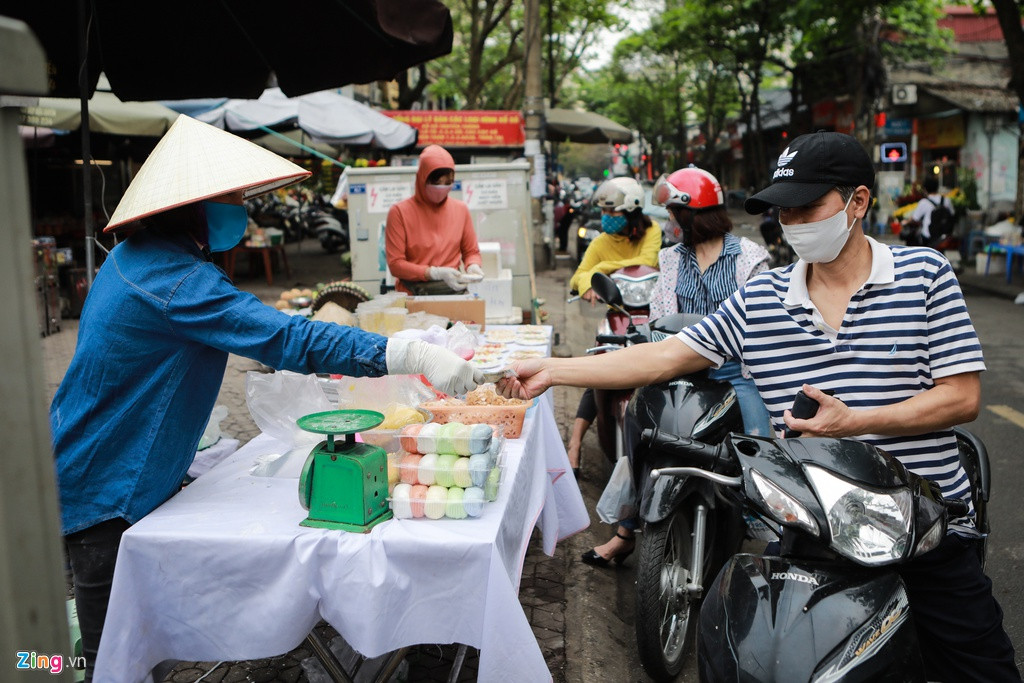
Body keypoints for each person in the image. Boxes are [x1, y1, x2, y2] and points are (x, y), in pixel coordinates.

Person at [500, 131, 1020, 681]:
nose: (793, 221)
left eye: (807, 206)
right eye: (784, 209)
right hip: (810, 532)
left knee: (983, 671)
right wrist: (554, 370)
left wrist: (854, 422)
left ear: (858, 202)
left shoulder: (925, 276)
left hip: (921, 532)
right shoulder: (763, 296)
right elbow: (665, 356)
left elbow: (961, 397)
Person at [52, 116, 483, 681]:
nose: (241, 209)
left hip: (113, 469)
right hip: (106, 487)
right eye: (230, 198)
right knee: (110, 661)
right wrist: (408, 354)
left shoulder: (143, 260)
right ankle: (33, 660)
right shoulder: (173, 280)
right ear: (194, 207)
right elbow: (286, 339)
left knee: (135, 648)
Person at [582, 167, 772, 567]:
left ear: (691, 213)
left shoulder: (751, 259)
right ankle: (625, 531)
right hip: (679, 369)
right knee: (642, 429)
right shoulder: (670, 260)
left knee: (762, 441)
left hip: (737, 373)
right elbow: (662, 317)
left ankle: (765, 525)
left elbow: (760, 325)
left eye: (672, 213)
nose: (667, 223)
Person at [565, 176, 661, 476]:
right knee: (600, 371)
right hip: (617, 315)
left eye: (613, 214)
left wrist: (601, 270)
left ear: (631, 212)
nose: (606, 219)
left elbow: (647, 261)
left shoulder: (652, 232)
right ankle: (575, 442)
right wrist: (589, 283)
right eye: (604, 213)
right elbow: (578, 276)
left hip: (652, 314)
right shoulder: (600, 241)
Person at [385, 145, 483, 295]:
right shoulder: (399, 212)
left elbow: (471, 251)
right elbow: (395, 264)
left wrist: (473, 266)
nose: (441, 189)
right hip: (413, 296)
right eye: (436, 183)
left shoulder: (460, 210)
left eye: (447, 183)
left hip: (453, 292)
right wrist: (433, 273)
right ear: (422, 179)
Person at [907, 175, 953, 246]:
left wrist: (905, 222)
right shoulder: (946, 200)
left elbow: (915, 218)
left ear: (925, 189)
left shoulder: (924, 202)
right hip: (944, 235)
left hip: (928, 236)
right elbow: (952, 213)